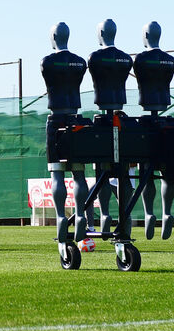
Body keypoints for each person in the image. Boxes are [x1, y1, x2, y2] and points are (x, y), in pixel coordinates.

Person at [41, 22, 92, 257]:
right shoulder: (81, 62)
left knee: (57, 172)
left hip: (56, 119)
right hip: (76, 118)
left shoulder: (47, 62)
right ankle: (81, 213)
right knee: (79, 172)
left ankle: (62, 216)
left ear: (53, 37)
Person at [87, 19, 134, 238]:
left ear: (100, 34)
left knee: (103, 178)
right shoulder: (126, 59)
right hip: (117, 120)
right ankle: (116, 220)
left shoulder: (94, 58)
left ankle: (104, 217)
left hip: (108, 124)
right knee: (121, 184)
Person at [133, 21, 174, 239]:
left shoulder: (140, 60)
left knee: (146, 171)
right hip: (163, 116)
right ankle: (167, 212)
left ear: (145, 36)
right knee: (167, 170)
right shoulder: (170, 61)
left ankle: (149, 212)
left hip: (148, 118)